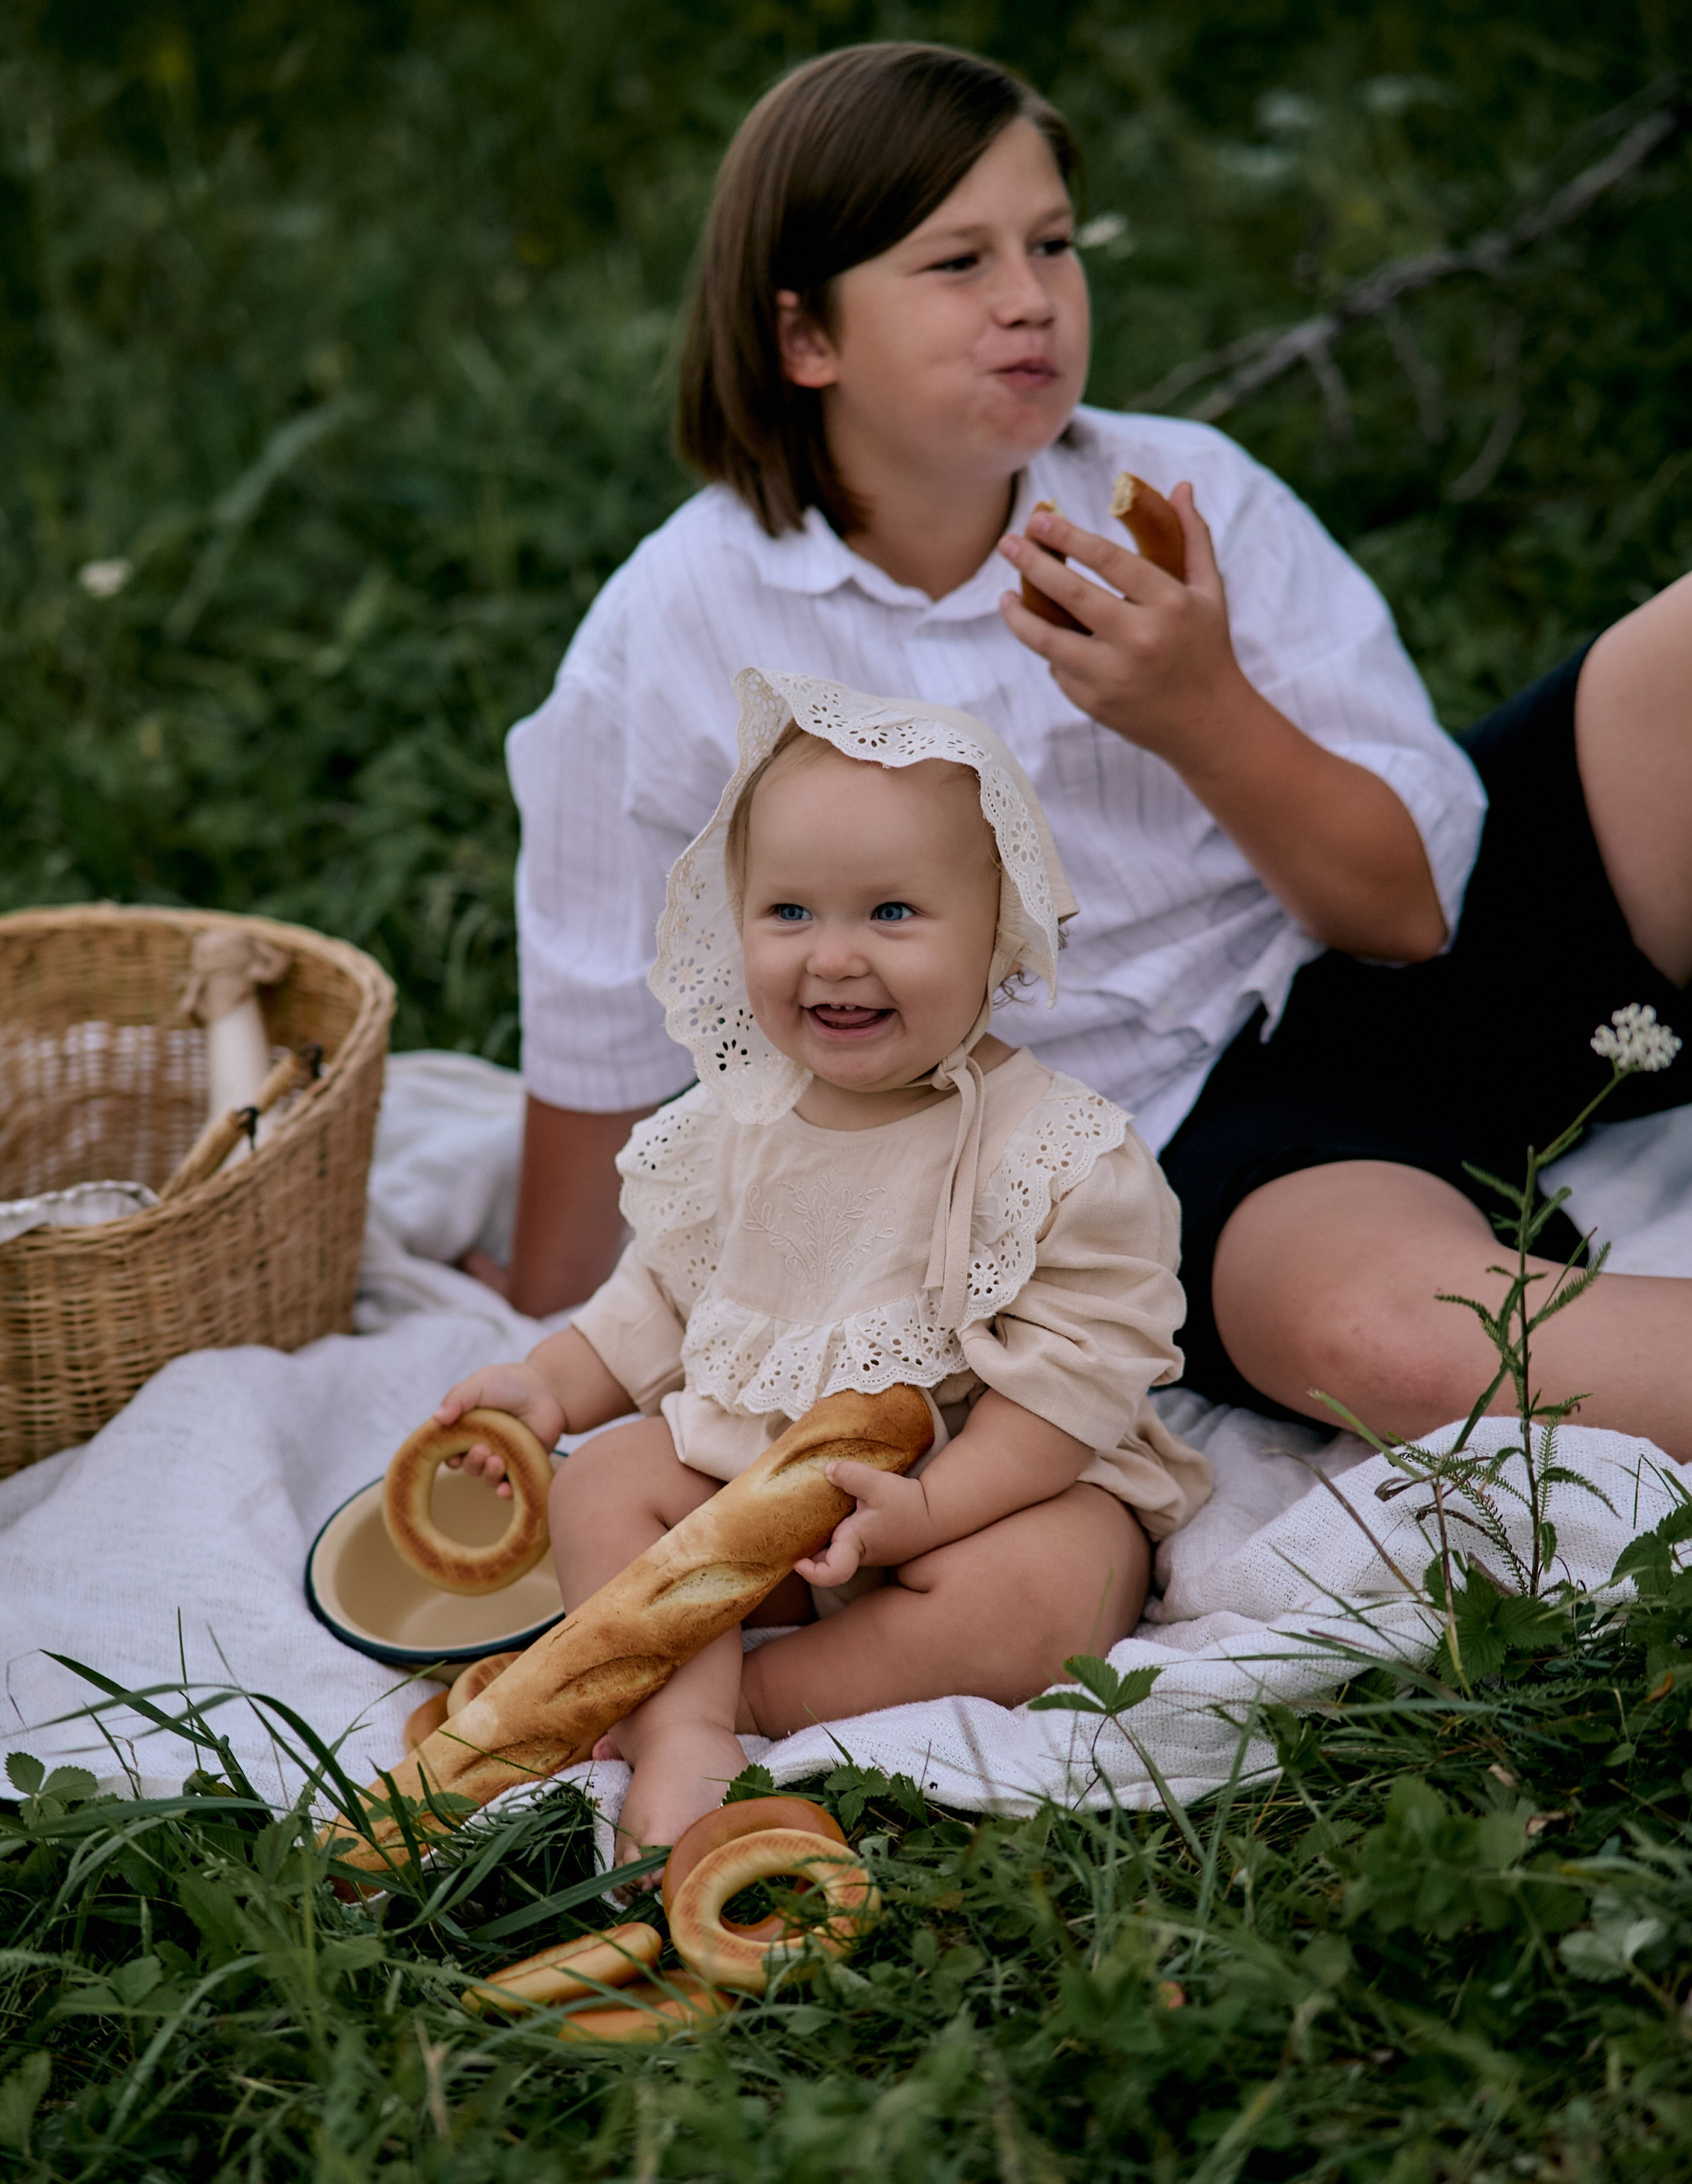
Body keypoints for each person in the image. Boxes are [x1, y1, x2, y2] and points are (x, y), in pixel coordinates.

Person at [493, 41, 1692, 1454]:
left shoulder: (1185, 497)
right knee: (1389, 1340)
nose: (1029, 301)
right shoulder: (669, 635)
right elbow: (592, 1018)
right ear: (804, 338)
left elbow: (1408, 912)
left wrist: (1201, 715)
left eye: (1050, 244)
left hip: (1404, 949)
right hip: (1173, 1131)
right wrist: (541, 1312)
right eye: (955, 264)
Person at [434, 672, 1210, 1855]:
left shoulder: (1053, 1150)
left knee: (1063, 1582)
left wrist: (933, 1508)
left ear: (996, 932)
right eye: (789, 912)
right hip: (768, 1507)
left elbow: (1076, 1376)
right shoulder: (735, 1121)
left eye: (892, 913)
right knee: (607, 1482)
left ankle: (749, 1698)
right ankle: (686, 1723)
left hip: (979, 1494)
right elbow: (661, 1299)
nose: (832, 957)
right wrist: (549, 1386)